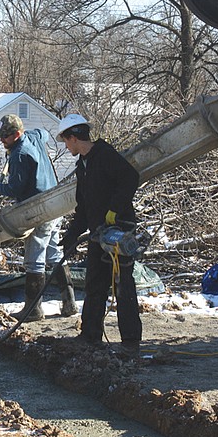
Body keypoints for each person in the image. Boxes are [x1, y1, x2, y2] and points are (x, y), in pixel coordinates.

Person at [57, 114, 141, 353]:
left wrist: (115, 209)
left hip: (118, 231)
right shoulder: (82, 167)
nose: (66, 146)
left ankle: (131, 342)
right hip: (98, 233)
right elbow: (83, 206)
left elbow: (130, 177)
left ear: (74, 138)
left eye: (66, 141)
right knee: (95, 283)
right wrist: (72, 234)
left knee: (122, 285)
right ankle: (90, 335)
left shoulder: (104, 155)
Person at [0, 114, 78, 321]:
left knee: (34, 260)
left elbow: (15, 188)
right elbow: (44, 133)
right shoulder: (34, 136)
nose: (2, 141)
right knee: (54, 254)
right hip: (55, 203)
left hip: (38, 209)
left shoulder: (19, 154)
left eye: (5, 137)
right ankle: (69, 303)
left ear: (17, 134)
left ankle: (33, 309)